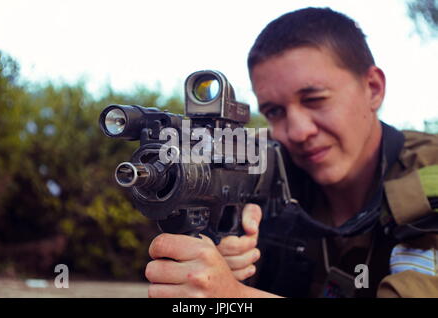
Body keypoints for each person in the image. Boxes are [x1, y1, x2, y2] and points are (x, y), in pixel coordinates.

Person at [144, 7, 438, 298]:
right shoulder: (271, 169)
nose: (297, 132)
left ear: (373, 89)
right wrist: (231, 263)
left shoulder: (431, 174)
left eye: (314, 100)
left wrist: (234, 296)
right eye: (274, 111)